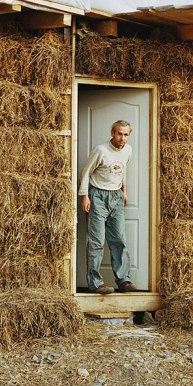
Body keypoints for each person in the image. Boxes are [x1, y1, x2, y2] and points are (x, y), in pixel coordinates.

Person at [78, 120, 137, 294]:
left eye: (125, 135)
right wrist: (85, 196)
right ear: (112, 133)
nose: (122, 138)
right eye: (119, 134)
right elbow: (85, 173)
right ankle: (96, 283)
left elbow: (123, 170)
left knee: (119, 240)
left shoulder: (128, 150)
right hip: (97, 196)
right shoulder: (101, 150)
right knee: (96, 242)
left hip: (116, 196)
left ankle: (124, 280)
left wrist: (124, 190)